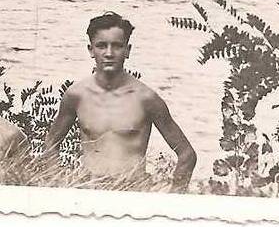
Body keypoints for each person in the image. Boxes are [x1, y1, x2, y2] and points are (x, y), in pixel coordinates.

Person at [43, 12, 196, 191]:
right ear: (91, 50)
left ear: (127, 50)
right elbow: (51, 144)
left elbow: (187, 154)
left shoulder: (146, 98)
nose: (109, 53)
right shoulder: (76, 95)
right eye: (101, 46)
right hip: (89, 191)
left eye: (116, 46)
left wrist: (174, 199)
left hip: (133, 193)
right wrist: (57, 184)